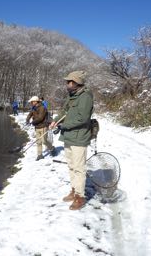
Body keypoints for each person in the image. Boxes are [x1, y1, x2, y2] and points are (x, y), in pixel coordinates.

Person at [49, 70, 94, 210]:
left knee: (79, 168)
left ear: (77, 83)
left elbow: (83, 118)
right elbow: (64, 112)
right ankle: (74, 190)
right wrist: (55, 121)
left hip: (79, 138)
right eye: (67, 81)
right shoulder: (71, 96)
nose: (67, 83)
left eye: (70, 81)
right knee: (71, 166)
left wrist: (64, 125)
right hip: (68, 136)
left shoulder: (85, 97)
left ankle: (80, 197)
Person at [26, 96, 56, 161]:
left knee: (44, 141)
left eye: (32, 102)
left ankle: (51, 148)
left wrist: (32, 122)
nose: (31, 103)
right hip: (37, 127)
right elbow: (30, 114)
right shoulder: (33, 108)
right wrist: (27, 120)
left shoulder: (42, 108)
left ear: (35, 101)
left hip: (43, 126)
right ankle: (40, 155)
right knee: (38, 141)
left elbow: (40, 118)